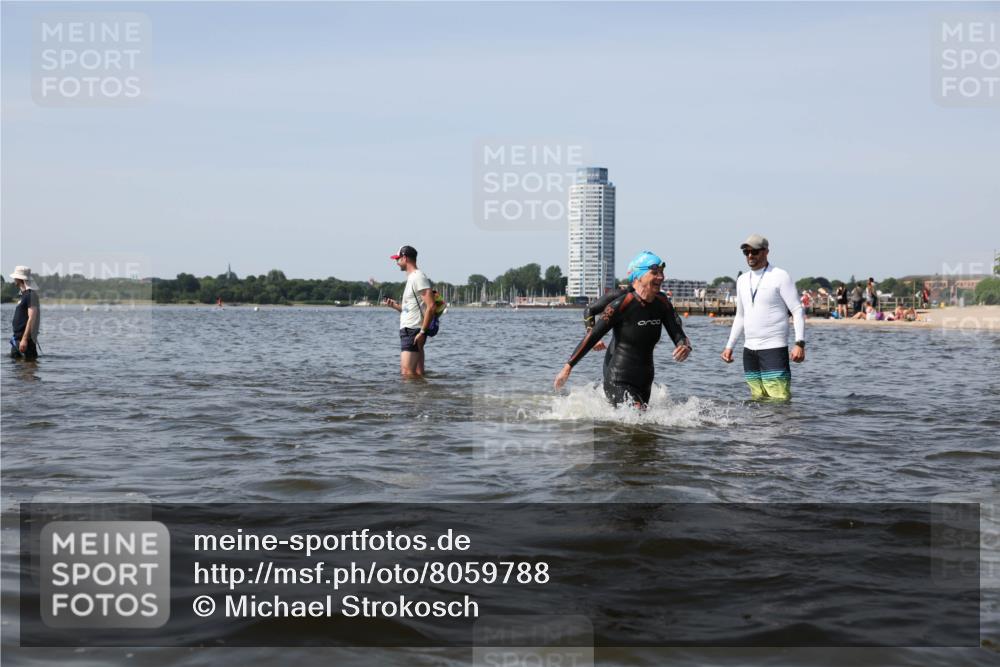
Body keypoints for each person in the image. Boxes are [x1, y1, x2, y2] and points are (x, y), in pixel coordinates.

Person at [553, 251, 692, 408]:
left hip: (645, 380)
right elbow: (593, 335)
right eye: (655, 272)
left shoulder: (662, 303)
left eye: (662, 272)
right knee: (636, 414)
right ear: (639, 276)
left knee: (642, 425)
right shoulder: (621, 304)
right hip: (618, 377)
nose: (661, 277)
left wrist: (684, 345)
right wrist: (567, 368)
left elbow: (677, 331)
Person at [720, 235, 805, 401]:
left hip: (774, 348)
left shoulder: (780, 275)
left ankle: (779, 428)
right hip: (749, 351)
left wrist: (799, 343)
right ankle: (756, 428)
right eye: (746, 252)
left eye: (755, 251)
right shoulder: (742, 280)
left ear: (766, 252)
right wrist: (729, 346)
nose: (750, 255)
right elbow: (740, 316)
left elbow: (797, 310)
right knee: (756, 400)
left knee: (778, 401)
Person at [382, 245, 436, 377]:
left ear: (405, 258)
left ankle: (409, 398)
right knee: (417, 373)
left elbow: (431, 305)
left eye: (398, 259)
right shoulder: (412, 278)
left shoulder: (418, 277)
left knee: (407, 373)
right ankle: (418, 396)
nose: (396, 262)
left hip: (413, 331)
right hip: (412, 329)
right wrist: (395, 306)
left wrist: (422, 332)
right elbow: (411, 310)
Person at [9, 266, 41, 360]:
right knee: (16, 371)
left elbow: (32, 318)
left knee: (28, 371)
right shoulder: (24, 295)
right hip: (17, 340)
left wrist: (24, 339)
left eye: (15, 277)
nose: (14, 279)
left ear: (20, 279)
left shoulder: (31, 295)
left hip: (26, 341)